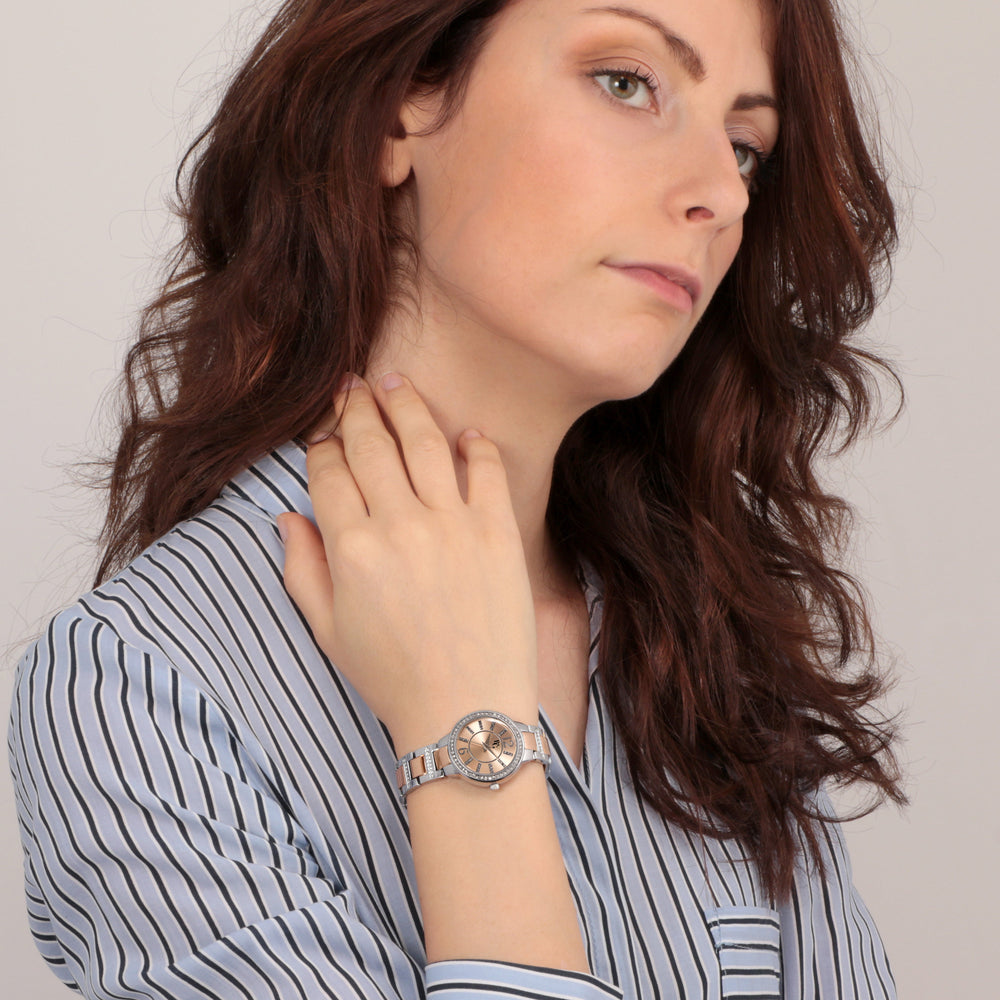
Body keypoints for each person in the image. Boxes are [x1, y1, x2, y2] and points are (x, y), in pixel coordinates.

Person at [7, 0, 907, 996]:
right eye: (626, 82)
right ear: (399, 104)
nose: (719, 194)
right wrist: (472, 745)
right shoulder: (146, 685)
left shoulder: (712, 646)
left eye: (744, 147)